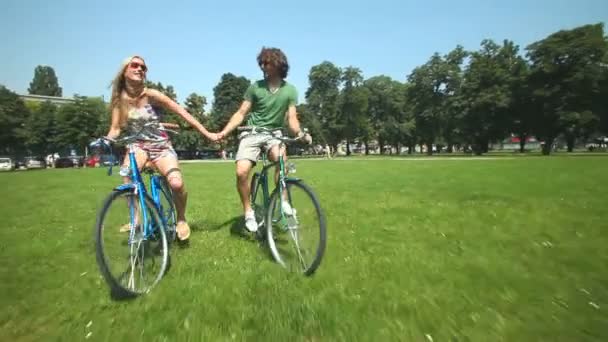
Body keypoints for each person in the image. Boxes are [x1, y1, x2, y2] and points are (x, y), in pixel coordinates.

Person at [102, 55, 217, 241]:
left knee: (176, 183)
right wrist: (106, 140)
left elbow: (181, 112)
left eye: (143, 67)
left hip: (160, 146)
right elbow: (115, 129)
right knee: (128, 176)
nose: (140, 69)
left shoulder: (150, 94)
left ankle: (181, 219)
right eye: (135, 65)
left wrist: (207, 133)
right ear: (125, 70)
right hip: (137, 146)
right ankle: (137, 219)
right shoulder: (118, 100)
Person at [217, 47, 311, 232]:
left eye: (267, 62)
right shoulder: (255, 87)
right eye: (262, 63)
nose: (263, 66)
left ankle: (283, 200)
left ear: (278, 63)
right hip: (251, 133)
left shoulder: (290, 90)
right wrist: (224, 132)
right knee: (241, 172)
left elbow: (291, 119)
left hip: (274, 134)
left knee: (281, 160)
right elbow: (241, 113)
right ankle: (248, 211)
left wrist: (301, 134)